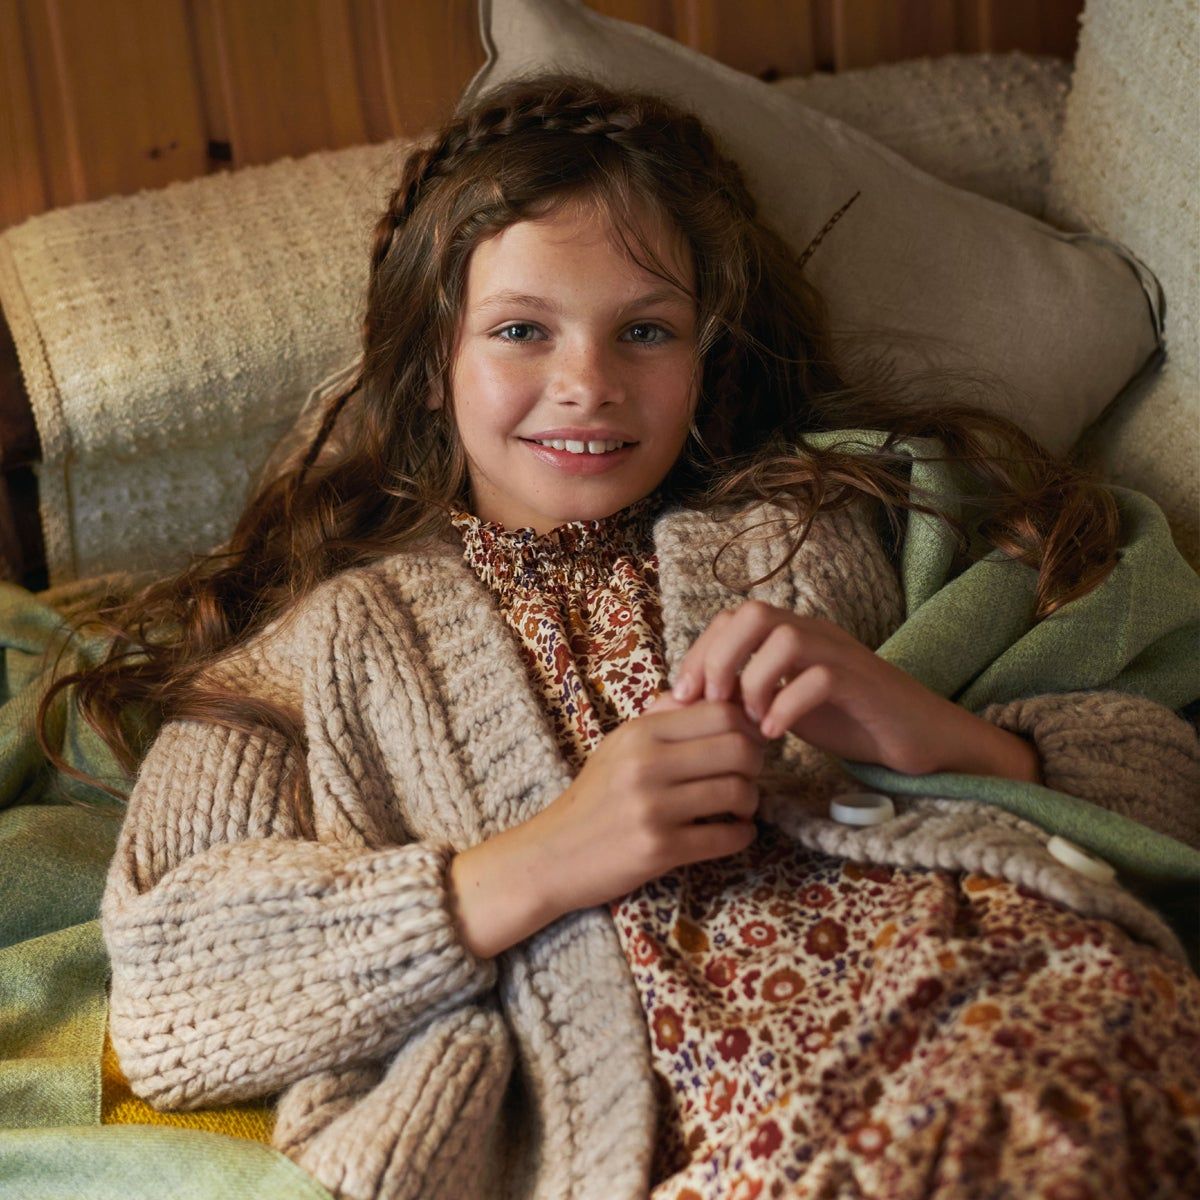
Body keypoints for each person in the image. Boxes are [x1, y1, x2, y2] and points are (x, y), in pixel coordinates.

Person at [40, 71, 1200, 1200]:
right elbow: (173, 993)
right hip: (711, 1117)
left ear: (709, 356)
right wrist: (538, 863)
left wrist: (932, 734)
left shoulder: (831, 518)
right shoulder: (322, 643)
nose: (587, 382)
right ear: (431, 363)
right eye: (522, 331)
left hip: (1025, 998)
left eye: (645, 332)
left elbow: (1158, 779)